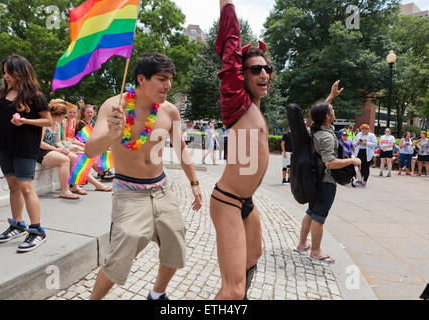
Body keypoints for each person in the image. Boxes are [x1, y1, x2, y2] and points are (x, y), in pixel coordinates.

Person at [85, 52, 202, 300]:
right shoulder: (114, 106)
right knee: (122, 250)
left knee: (175, 243)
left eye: (169, 79)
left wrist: (194, 183)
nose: (167, 85)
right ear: (140, 78)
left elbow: (181, 148)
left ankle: (157, 295)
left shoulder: (170, 112)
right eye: (161, 79)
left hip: (161, 190)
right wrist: (111, 134)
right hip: (129, 192)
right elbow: (90, 150)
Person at [210, 0, 273, 300]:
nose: (265, 74)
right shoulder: (236, 103)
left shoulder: (256, 109)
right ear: (242, 75)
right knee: (233, 290)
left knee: (252, 257)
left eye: (268, 69)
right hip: (228, 202)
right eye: (256, 69)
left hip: (246, 202)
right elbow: (231, 42)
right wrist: (227, 4)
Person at [0, 54, 52, 252]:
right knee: (12, 186)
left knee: (26, 187)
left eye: (9, 73)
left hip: (25, 147)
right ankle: (18, 225)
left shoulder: (34, 96)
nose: (6, 76)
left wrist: (26, 121)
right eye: (4, 73)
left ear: (20, 73)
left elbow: (48, 121)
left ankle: (37, 231)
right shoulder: (1, 95)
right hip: (4, 147)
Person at [295, 81, 361, 264]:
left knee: (311, 212)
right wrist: (352, 160)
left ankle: (302, 244)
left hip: (316, 180)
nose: (333, 110)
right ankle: (315, 252)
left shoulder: (318, 129)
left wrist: (331, 96)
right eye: (331, 109)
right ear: (327, 116)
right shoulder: (324, 136)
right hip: (326, 181)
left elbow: (318, 114)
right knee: (319, 217)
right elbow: (330, 163)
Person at [37, 100, 80, 200]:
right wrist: (57, 150)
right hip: (41, 151)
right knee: (65, 160)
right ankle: (64, 191)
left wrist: (67, 148)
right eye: (64, 116)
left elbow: (58, 142)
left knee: (73, 156)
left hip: (52, 150)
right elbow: (40, 143)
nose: (65, 118)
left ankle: (74, 186)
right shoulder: (45, 124)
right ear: (61, 115)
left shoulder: (57, 124)